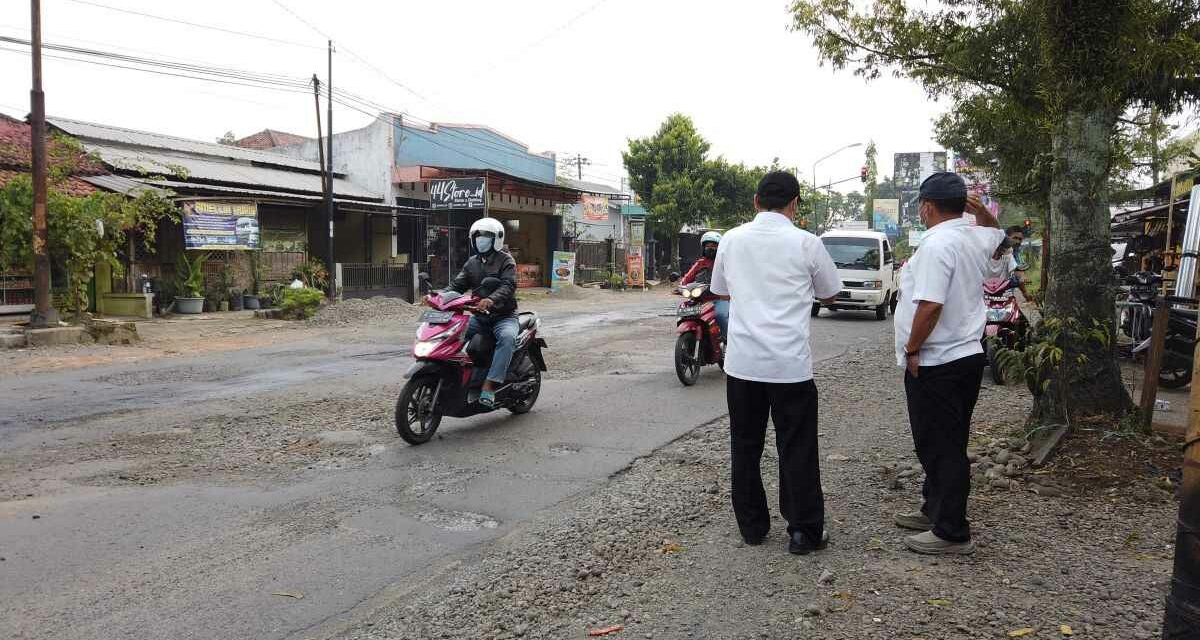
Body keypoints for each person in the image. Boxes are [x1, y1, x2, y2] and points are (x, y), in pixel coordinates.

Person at [710, 170, 841, 555]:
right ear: (795, 204)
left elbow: (719, 290)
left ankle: (752, 528)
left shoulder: (731, 240)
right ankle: (803, 532)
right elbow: (831, 294)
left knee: (745, 445)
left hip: (743, 364)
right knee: (796, 447)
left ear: (755, 202)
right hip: (790, 366)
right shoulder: (807, 244)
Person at [893, 172, 1005, 555]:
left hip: (938, 360)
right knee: (947, 440)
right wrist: (983, 215)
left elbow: (930, 305)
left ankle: (951, 531)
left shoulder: (938, 243)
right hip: (965, 356)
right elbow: (999, 242)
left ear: (926, 207)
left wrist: (911, 348)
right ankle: (934, 509)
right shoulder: (972, 236)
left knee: (939, 445)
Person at [448, 217, 518, 408]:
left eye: (486, 235)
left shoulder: (506, 261)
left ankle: (489, 385)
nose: (481, 239)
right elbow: (457, 285)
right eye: (478, 236)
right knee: (452, 333)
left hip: (503, 317)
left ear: (496, 238)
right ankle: (450, 376)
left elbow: (509, 285)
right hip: (479, 318)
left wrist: (491, 299)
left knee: (507, 339)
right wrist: (439, 297)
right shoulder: (472, 263)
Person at [680, 231, 729, 339]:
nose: (710, 248)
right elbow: (686, 279)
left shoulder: (724, 262)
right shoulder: (700, 263)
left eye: (714, 246)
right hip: (700, 299)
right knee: (684, 311)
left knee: (721, 315)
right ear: (703, 248)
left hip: (719, 299)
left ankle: (727, 342)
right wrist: (682, 286)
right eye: (708, 246)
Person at [984, 225, 1032, 302]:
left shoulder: (1009, 256)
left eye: (1020, 239)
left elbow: (1017, 271)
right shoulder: (983, 257)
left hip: (1004, 293)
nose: (1017, 242)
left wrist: (1022, 278)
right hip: (984, 294)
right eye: (1015, 238)